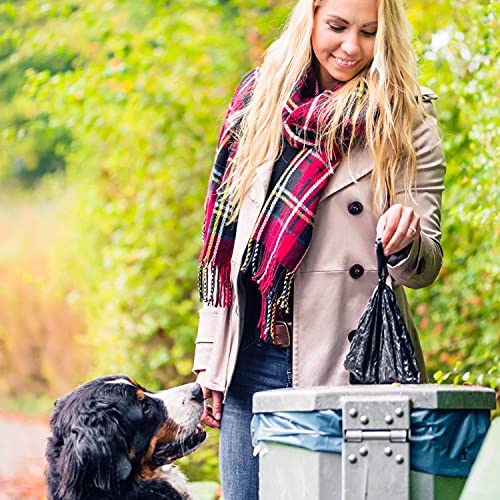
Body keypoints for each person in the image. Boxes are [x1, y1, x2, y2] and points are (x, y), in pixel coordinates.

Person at [193, 0, 446, 498]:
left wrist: (406, 240)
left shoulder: (406, 116)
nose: (351, 47)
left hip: (347, 364)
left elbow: (426, 265)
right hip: (252, 356)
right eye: (337, 26)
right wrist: (211, 356)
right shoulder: (258, 101)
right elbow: (226, 248)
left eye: (369, 33)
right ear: (309, 19)